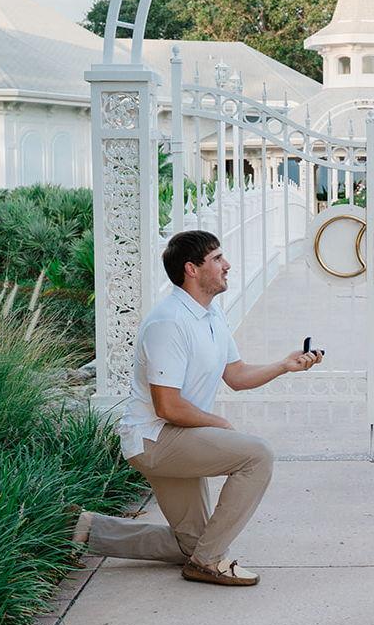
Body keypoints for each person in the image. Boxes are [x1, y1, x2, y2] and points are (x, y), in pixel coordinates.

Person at [73, 230, 322, 586]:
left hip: (179, 435)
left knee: (190, 543)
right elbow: (168, 406)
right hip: (155, 439)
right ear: (191, 269)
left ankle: (86, 530)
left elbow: (235, 375)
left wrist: (284, 365)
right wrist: (218, 423)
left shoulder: (210, 315)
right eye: (217, 259)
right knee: (257, 456)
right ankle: (208, 562)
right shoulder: (169, 323)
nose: (228, 265)